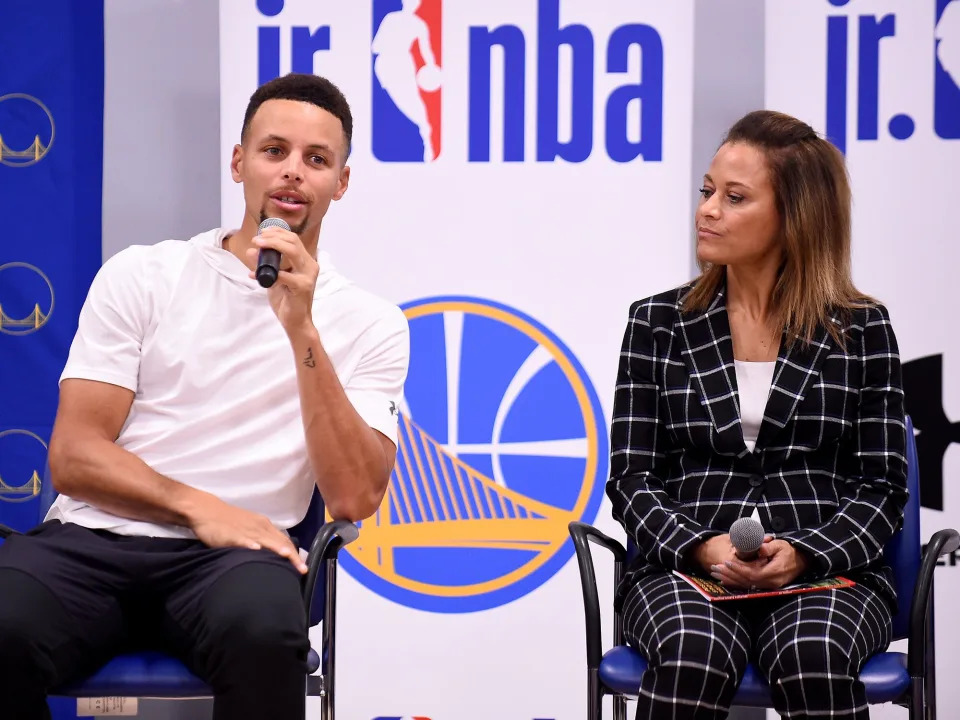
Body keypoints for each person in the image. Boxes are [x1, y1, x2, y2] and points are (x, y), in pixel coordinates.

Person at [0, 73, 409, 720]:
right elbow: (74, 455)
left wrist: (301, 326)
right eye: (275, 151)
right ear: (239, 161)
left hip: (237, 564)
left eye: (317, 159)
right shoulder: (146, 274)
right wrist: (197, 507)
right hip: (95, 540)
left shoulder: (369, 321)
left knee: (267, 633)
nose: (293, 173)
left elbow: (355, 496)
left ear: (342, 182)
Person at [607, 109, 907, 719]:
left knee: (812, 652)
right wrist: (701, 547)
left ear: (794, 218)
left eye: (734, 197)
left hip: (827, 570)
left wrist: (804, 553)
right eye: (707, 191)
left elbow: (882, 489)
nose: (707, 209)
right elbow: (632, 480)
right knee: (692, 649)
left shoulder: (862, 329)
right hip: (685, 565)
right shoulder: (655, 324)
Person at [371, 0, 440, 161]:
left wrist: (431, 67)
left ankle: (426, 136)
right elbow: (376, 46)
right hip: (387, 65)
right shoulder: (391, 19)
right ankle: (423, 133)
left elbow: (426, 51)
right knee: (397, 103)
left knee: (412, 103)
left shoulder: (419, 24)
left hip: (403, 65)